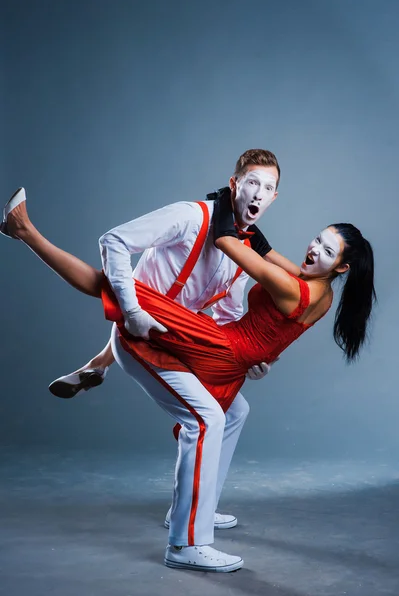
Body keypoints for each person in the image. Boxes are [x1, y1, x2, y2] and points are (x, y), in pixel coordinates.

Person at [1, 180, 376, 572]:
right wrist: (265, 353)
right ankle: (200, 506)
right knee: (234, 414)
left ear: (342, 267)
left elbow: (230, 245)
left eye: (327, 250)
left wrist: (226, 205)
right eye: (318, 239)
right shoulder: (321, 289)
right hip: (235, 355)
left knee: (116, 283)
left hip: (221, 350)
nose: (314, 248)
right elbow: (267, 255)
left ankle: (186, 544)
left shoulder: (294, 289)